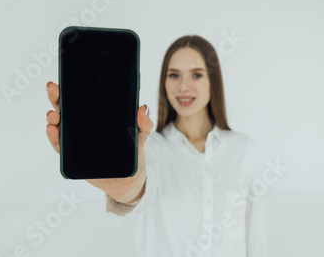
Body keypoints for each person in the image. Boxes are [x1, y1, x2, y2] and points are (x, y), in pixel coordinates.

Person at [45, 35, 268, 256]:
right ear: (164, 81)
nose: (183, 86)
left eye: (196, 75)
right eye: (174, 75)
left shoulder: (244, 150)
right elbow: (140, 189)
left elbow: (256, 235)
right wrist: (127, 187)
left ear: (213, 81)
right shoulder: (150, 148)